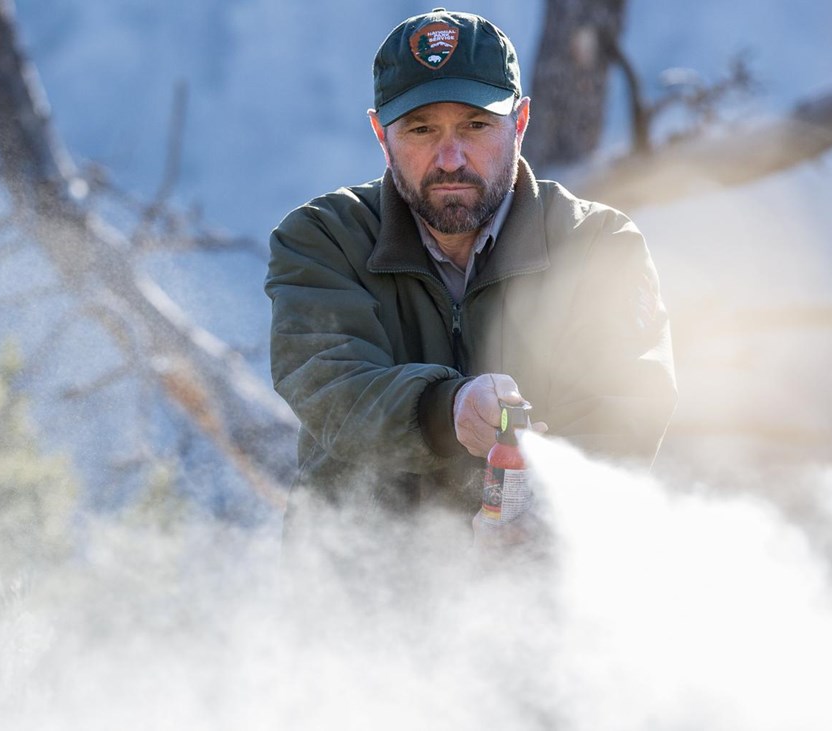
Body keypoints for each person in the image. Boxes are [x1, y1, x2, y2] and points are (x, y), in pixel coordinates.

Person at [264, 8, 677, 543]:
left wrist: (545, 516)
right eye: (421, 129)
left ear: (521, 124)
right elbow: (329, 386)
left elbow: (627, 403)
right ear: (380, 135)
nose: (451, 157)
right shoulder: (322, 239)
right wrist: (448, 407)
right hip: (350, 593)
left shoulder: (598, 245)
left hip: (536, 597)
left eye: (476, 125)